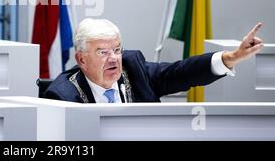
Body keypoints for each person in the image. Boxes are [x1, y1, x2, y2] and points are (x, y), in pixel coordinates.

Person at [44, 18, 263, 103]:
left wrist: (231, 57)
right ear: (81, 59)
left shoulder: (133, 68)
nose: (113, 58)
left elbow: (181, 72)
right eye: (102, 52)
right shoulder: (62, 96)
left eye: (117, 50)